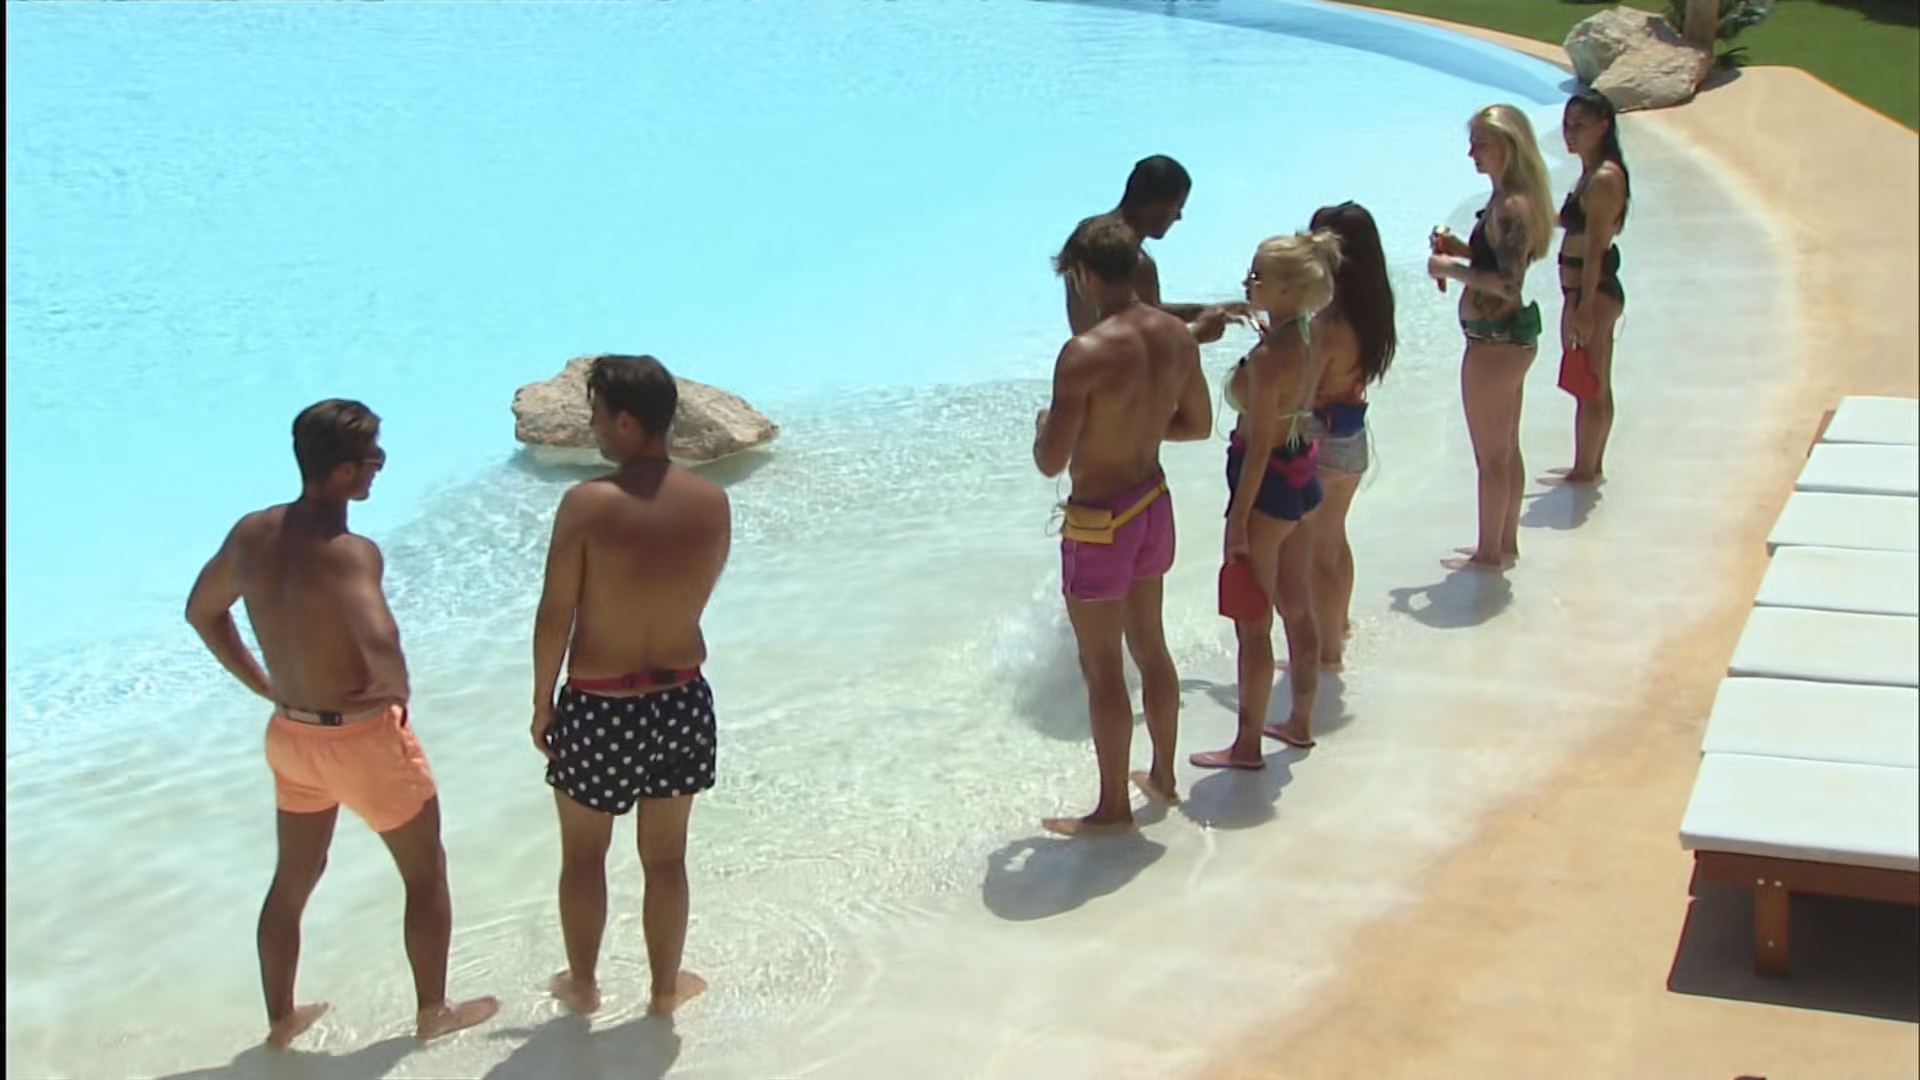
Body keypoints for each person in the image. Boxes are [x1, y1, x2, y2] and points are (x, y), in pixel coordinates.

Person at [183, 400, 499, 1050]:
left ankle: (281, 1020)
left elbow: (201, 611)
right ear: (345, 470)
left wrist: (263, 684)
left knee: (292, 880)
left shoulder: (250, 534)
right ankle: (433, 1012)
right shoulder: (351, 553)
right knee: (425, 872)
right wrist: (397, 695)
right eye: (372, 457)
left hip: (292, 736)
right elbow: (379, 637)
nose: (379, 466)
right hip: (361, 738)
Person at [532, 354, 731, 1017]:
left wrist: (541, 703)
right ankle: (665, 991)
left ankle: (585, 985)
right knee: (667, 859)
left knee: (584, 856)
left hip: (602, 704)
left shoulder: (587, 504)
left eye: (595, 416)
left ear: (625, 420)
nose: (592, 428)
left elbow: (555, 614)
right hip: (682, 698)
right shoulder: (712, 502)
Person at [1033, 219, 1213, 834]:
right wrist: (1135, 426)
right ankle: (1163, 775)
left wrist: (1046, 426)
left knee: (1103, 667)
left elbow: (1050, 461)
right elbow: (1197, 425)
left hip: (1100, 522)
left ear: (1084, 274)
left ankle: (1113, 808)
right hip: (1152, 503)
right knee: (1152, 646)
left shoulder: (1083, 354)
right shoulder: (1176, 334)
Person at [1192, 229, 1346, 767]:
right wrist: (1266, 326)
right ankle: (1299, 722)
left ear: (1286, 289)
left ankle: (1246, 745)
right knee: (1298, 609)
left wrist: (1238, 519)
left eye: (1257, 276)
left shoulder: (1266, 360)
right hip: (1301, 473)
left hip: (1264, 484)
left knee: (1252, 624)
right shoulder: (1307, 335)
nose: (1246, 281)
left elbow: (1257, 447)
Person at [1428, 103, 1556, 571]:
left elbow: (1507, 284)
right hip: (1506, 341)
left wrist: (1449, 268)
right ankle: (1504, 542)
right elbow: (1501, 263)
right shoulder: (1513, 199)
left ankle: (1488, 552)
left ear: (1507, 145)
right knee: (1505, 449)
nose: (1472, 153)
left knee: (1491, 457)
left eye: (1481, 143)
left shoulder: (1510, 206)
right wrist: (1462, 250)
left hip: (1493, 343)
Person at [1297, 201, 1397, 671]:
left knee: (1315, 551)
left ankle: (1327, 652)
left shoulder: (1326, 325)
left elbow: (1302, 393)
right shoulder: (1370, 314)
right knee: (1334, 539)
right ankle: (1338, 624)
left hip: (1321, 437)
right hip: (1353, 433)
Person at [1058, 154, 1243, 343]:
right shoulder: (1134, 261)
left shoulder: (1086, 236)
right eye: (1178, 206)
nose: (1178, 217)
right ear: (1157, 204)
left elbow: (1140, 312)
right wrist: (1199, 334)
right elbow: (1150, 342)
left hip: (1085, 356)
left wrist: (1202, 310)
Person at [1553, 88, 1630, 485]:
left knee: (1591, 384)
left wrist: (1583, 306)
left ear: (1603, 126)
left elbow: (1596, 247)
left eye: (1579, 126)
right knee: (1594, 381)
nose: (1570, 133)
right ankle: (1590, 462)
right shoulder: (1590, 174)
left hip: (1592, 291)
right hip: (1586, 291)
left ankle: (1586, 468)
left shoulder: (1602, 179)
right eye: (1567, 125)